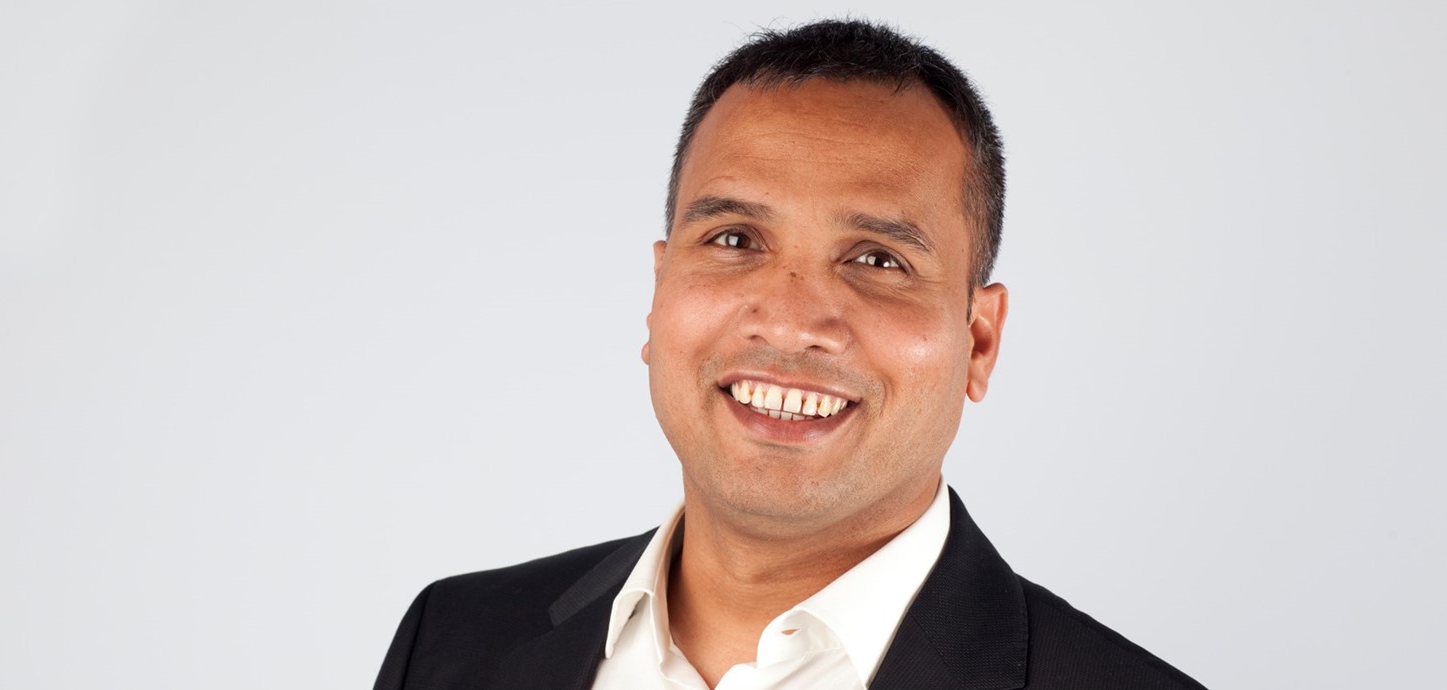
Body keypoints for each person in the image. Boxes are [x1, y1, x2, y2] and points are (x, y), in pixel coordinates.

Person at [373, 19, 1206, 690]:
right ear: (659, 294)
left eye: (879, 261)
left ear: (978, 340)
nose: (791, 320)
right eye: (735, 238)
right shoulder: (451, 644)